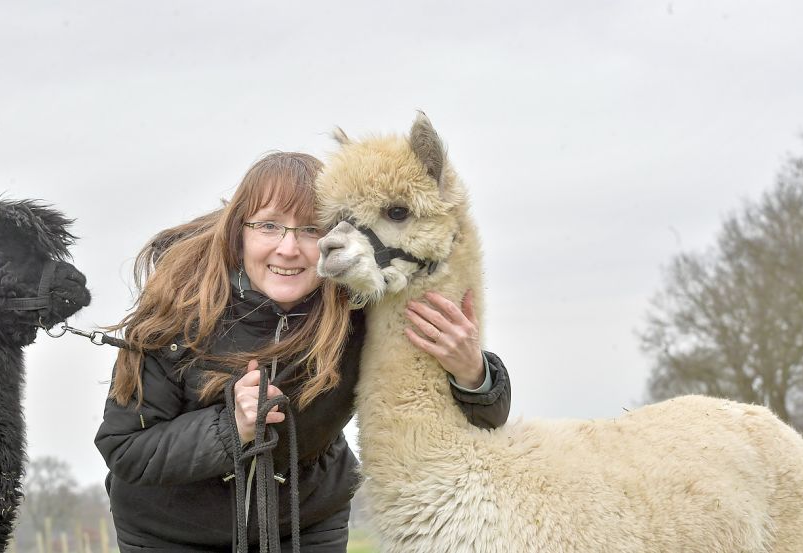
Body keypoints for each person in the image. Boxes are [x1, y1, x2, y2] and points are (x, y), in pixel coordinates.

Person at [95, 152, 511, 553]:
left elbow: (482, 419)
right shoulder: (177, 316)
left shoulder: (360, 310)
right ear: (240, 234)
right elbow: (125, 449)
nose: (289, 249)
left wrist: (472, 372)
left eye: (312, 229)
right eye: (269, 227)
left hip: (306, 523)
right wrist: (230, 427)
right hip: (173, 532)